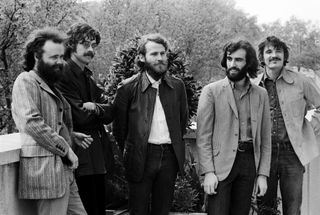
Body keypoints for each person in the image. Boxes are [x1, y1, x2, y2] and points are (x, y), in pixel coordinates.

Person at [11, 28, 92, 215]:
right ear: (37, 56)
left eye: (62, 57)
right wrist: (66, 149)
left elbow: (52, 121)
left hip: (64, 174)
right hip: (46, 174)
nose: (60, 62)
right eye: (54, 57)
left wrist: (70, 135)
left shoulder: (50, 84)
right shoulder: (26, 81)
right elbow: (31, 122)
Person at [113, 33, 189, 215]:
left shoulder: (178, 87)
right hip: (140, 157)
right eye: (154, 54)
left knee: (162, 211)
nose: (160, 58)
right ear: (142, 57)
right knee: (138, 211)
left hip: (169, 157)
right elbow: (119, 129)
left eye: (163, 54)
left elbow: (182, 121)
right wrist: (134, 151)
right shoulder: (127, 88)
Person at [196, 40, 272, 215]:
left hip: (248, 163)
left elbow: (265, 138)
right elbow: (203, 137)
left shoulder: (261, 94)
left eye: (238, 60)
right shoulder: (211, 91)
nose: (232, 64)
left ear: (248, 63)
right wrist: (208, 172)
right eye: (229, 59)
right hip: (220, 165)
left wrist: (262, 174)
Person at [253, 36, 320, 215]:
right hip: (263, 156)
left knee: (292, 208)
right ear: (262, 58)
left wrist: (311, 126)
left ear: (285, 55)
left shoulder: (301, 81)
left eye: (278, 51)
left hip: (292, 154)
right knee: (265, 209)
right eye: (268, 52)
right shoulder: (253, 85)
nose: (274, 55)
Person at [56, 23, 114, 215]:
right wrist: (97, 111)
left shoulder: (88, 77)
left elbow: (111, 112)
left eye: (93, 45)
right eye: (85, 44)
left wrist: (95, 107)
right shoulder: (63, 74)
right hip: (78, 156)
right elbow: (78, 116)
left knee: (98, 209)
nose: (90, 50)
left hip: (97, 157)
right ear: (71, 44)